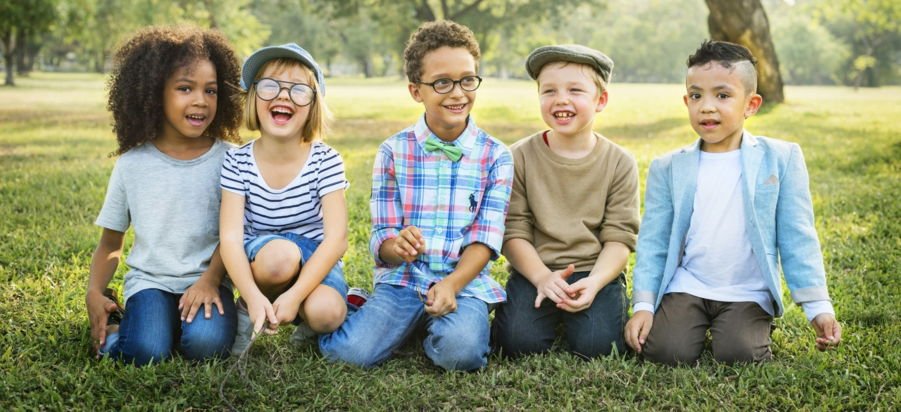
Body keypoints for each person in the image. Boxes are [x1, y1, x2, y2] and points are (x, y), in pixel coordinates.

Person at [624, 40, 843, 365]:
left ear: (751, 104)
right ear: (686, 101)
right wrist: (643, 305)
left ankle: (747, 326)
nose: (707, 107)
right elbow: (654, 241)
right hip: (688, 284)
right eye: (696, 96)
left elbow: (798, 237)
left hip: (747, 290)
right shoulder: (668, 166)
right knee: (664, 351)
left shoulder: (781, 159)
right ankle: (686, 322)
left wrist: (818, 307)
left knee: (740, 354)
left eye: (723, 95)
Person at [318, 20, 513, 371]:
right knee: (347, 354)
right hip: (404, 280)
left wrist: (452, 285)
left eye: (467, 80)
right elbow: (382, 236)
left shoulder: (496, 156)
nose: (458, 93)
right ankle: (365, 309)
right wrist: (398, 246)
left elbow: (486, 238)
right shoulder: (393, 151)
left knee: (461, 354)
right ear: (415, 90)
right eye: (442, 82)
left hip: (463, 283)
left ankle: (425, 329)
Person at [85, 26, 243, 365]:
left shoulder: (233, 159)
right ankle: (116, 331)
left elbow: (236, 234)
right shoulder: (132, 164)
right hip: (150, 283)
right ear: (155, 92)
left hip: (208, 279)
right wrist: (94, 292)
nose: (200, 100)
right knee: (145, 352)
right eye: (185, 88)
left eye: (211, 90)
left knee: (205, 347)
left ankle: (170, 325)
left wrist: (211, 280)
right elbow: (111, 243)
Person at [491, 45, 639, 359]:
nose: (561, 99)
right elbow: (513, 230)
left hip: (594, 269)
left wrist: (597, 281)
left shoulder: (619, 162)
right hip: (536, 269)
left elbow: (619, 237)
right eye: (549, 91)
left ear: (601, 100)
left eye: (575, 90)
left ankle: (583, 310)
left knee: (599, 347)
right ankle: (547, 311)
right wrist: (542, 278)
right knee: (517, 343)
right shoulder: (518, 157)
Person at [220, 43, 349, 356]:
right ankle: (248, 309)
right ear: (253, 98)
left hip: (314, 256)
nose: (282, 96)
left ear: (313, 105)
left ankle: (300, 312)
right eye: (269, 86)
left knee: (327, 313)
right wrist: (250, 294)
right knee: (280, 257)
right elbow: (231, 238)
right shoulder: (237, 161)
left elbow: (337, 239)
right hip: (264, 257)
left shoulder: (325, 160)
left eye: (298, 90)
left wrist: (296, 296)